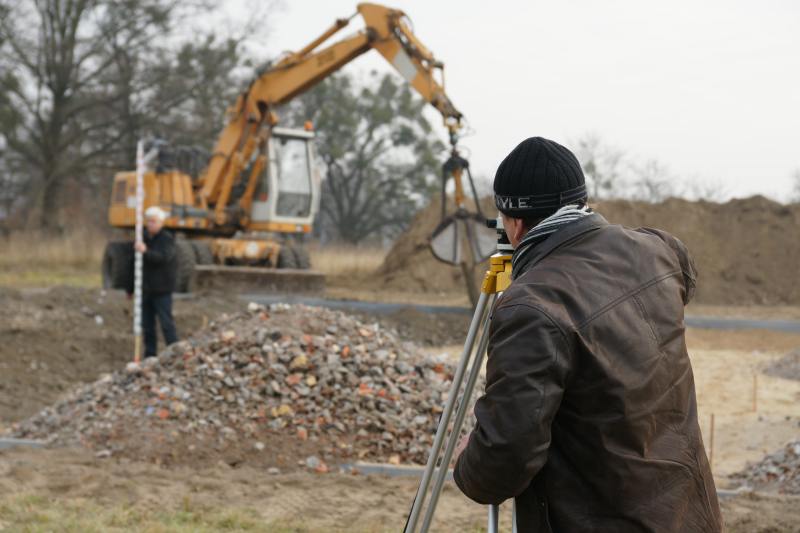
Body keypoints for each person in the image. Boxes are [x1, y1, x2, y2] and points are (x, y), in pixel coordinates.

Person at [453, 137, 722, 532]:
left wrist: (468, 461)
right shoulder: (659, 250)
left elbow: (503, 463)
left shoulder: (530, 306)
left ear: (513, 222)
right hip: (688, 516)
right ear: (580, 202)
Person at [133, 206, 178, 358]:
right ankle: (150, 355)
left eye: (153, 221)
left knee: (166, 323)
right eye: (149, 221)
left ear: (161, 223)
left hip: (162, 289)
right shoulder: (143, 239)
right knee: (147, 326)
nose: (150, 224)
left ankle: (174, 352)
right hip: (146, 290)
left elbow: (162, 258)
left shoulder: (167, 239)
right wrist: (130, 288)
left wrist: (146, 251)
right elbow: (134, 265)